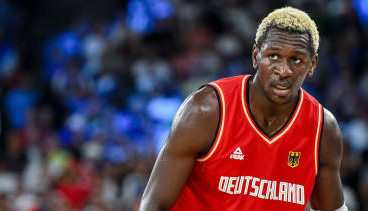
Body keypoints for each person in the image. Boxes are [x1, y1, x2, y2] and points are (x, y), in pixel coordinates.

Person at [140, 7, 347, 211]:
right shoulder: (206, 110)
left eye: (296, 60)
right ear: (256, 56)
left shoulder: (323, 129)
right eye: (273, 56)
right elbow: (153, 205)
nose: (284, 71)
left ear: (312, 64)